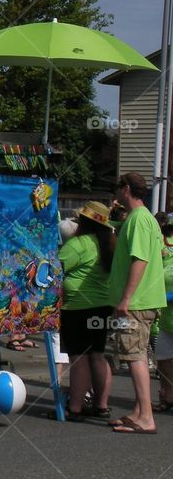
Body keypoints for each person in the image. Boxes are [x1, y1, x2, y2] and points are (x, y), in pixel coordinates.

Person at [108, 172, 167, 434]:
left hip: (138, 301)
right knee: (134, 353)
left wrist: (126, 298)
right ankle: (139, 411)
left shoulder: (140, 219)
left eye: (118, 187)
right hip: (142, 299)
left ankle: (146, 417)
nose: (116, 193)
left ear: (127, 189)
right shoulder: (143, 218)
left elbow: (140, 260)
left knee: (135, 355)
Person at [54, 201, 114, 421]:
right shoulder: (107, 244)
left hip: (78, 306)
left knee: (79, 357)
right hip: (102, 306)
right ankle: (102, 405)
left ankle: (76, 407)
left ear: (83, 222)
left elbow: (54, 268)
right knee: (97, 355)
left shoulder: (78, 244)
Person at [153, 212, 173, 412]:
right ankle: (168, 395)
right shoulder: (161, 244)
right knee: (164, 357)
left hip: (167, 309)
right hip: (167, 319)